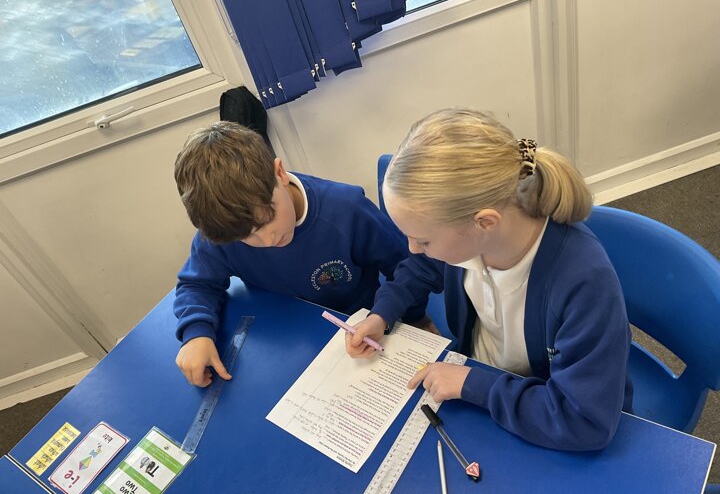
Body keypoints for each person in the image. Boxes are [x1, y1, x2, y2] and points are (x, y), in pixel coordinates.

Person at [346, 108, 633, 451]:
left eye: (423, 240)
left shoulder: (584, 282)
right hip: (485, 385)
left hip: (539, 406)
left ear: (484, 222)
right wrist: (382, 313)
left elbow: (584, 421)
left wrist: (472, 384)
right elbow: (419, 268)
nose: (413, 249)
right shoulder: (473, 238)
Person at [173, 121, 423, 387]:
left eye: (267, 220)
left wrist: (408, 317)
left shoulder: (347, 211)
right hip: (283, 342)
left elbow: (411, 267)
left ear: (279, 173)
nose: (268, 240)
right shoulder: (227, 229)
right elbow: (197, 284)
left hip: (359, 330)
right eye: (248, 237)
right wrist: (196, 333)